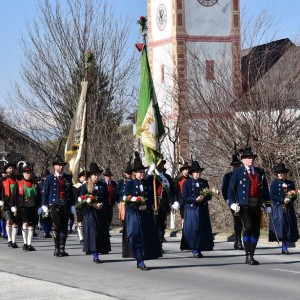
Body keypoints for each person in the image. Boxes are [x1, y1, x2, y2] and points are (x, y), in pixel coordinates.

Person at [228, 146, 271, 265]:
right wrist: (232, 203)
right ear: (243, 160)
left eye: (252, 157)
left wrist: (268, 204)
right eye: (248, 157)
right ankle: (248, 254)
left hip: (256, 204)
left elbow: (265, 189)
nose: (251, 159)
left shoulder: (259, 172)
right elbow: (230, 190)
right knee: (249, 227)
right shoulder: (237, 173)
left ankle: (251, 253)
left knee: (256, 231)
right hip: (244, 205)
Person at [123, 152, 162, 271]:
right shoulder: (129, 184)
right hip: (134, 215)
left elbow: (150, 197)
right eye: (139, 172)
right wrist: (137, 207)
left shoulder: (146, 183)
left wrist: (147, 206)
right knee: (135, 236)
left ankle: (141, 259)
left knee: (145, 237)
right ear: (135, 173)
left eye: (143, 172)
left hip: (145, 214)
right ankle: (139, 259)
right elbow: (127, 200)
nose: (142, 174)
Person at [42, 155, 75, 257]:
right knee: (57, 225)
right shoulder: (49, 178)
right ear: (54, 166)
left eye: (62, 166)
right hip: (54, 204)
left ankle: (62, 248)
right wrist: (44, 204)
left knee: (64, 227)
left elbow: (71, 192)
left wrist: (72, 205)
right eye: (59, 165)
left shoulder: (68, 177)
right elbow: (45, 193)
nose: (61, 167)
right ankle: (56, 249)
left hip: (65, 204)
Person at [181, 158, 214, 258]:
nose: (198, 174)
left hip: (202, 208)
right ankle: (194, 248)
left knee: (202, 229)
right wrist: (195, 199)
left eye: (199, 172)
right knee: (193, 229)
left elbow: (209, 195)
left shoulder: (204, 182)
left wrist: (204, 197)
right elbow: (184, 197)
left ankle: (200, 248)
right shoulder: (187, 183)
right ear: (192, 173)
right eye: (196, 172)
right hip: (192, 209)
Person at [79, 162, 111, 263]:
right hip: (90, 213)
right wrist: (91, 204)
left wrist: (102, 204)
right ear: (90, 176)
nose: (96, 176)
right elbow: (81, 200)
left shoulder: (103, 185)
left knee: (100, 233)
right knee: (94, 234)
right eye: (94, 175)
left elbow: (106, 199)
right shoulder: (85, 186)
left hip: (100, 213)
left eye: (97, 174)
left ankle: (99, 250)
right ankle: (95, 254)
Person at [269, 163, 299, 254]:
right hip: (278, 208)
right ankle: (284, 247)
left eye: (282, 173)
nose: (280, 174)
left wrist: (290, 199)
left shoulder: (290, 183)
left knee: (288, 226)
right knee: (281, 227)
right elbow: (272, 196)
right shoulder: (274, 183)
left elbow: (294, 195)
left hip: (288, 208)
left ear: (285, 173)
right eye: (279, 173)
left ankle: (286, 246)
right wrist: (282, 200)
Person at [221, 153, 244, 250]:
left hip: (243, 200)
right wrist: (229, 201)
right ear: (232, 166)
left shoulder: (243, 174)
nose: (236, 167)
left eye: (238, 165)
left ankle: (242, 240)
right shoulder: (228, 176)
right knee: (238, 221)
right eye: (235, 165)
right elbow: (224, 189)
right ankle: (238, 240)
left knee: (245, 222)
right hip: (233, 202)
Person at [17, 163, 40, 251]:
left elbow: (38, 196)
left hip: (33, 205)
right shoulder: (19, 183)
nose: (28, 174)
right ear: (23, 174)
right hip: (24, 206)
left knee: (31, 225)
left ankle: (29, 244)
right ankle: (25, 243)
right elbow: (16, 196)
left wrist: (40, 206)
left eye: (29, 172)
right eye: (26, 173)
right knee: (25, 223)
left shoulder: (35, 183)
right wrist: (15, 206)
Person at [0, 162, 19, 248]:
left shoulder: (17, 179)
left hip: (16, 203)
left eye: (12, 168)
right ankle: (9, 240)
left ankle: (14, 241)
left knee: (15, 223)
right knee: (9, 221)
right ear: (6, 170)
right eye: (9, 168)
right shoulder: (2, 180)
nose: (11, 169)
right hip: (6, 203)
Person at [116, 160, 132, 226]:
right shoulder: (121, 181)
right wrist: (123, 191)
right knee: (123, 215)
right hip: (122, 200)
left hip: (130, 199)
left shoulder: (132, 181)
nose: (128, 175)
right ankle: (124, 226)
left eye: (129, 174)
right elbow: (117, 191)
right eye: (127, 174)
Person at [73, 170, 87, 244]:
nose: (84, 178)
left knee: (86, 222)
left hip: (86, 206)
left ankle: (86, 236)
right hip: (78, 206)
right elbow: (76, 192)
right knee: (79, 222)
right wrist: (82, 186)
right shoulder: (76, 186)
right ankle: (81, 237)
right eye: (82, 177)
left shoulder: (88, 184)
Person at [38, 169, 52, 238]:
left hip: (50, 203)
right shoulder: (40, 185)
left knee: (50, 218)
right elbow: (38, 195)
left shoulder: (51, 184)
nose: (46, 178)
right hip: (43, 203)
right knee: (43, 218)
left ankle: (48, 231)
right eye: (45, 177)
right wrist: (40, 206)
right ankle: (44, 231)